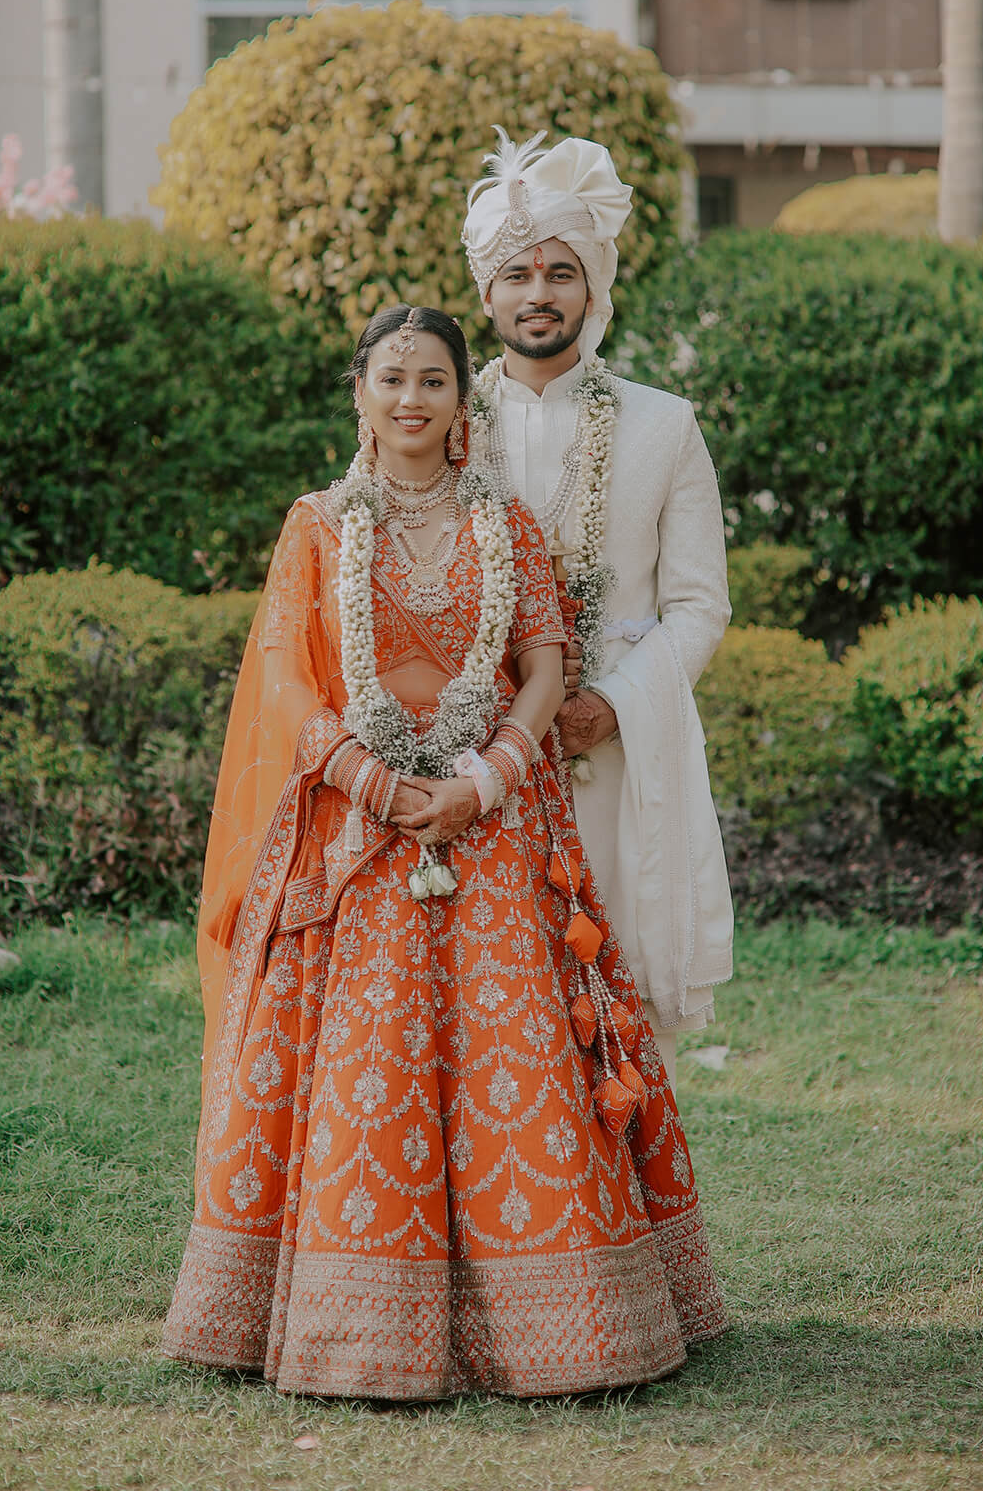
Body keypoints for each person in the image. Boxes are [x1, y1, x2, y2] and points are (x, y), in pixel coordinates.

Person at [162, 304, 727, 1399]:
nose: (411, 398)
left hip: (495, 815)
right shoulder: (318, 525)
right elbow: (284, 679)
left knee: (519, 1053)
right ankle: (350, 1329)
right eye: (392, 378)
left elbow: (544, 667)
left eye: (432, 380)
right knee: (365, 1060)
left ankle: (560, 1326)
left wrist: (484, 782)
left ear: (462, 399)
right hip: (353, 821)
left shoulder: (503, 519)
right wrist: (370, 781)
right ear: (359, 394)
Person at [462, 131, 734, 1079]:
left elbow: (699, 606)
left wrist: (606, 708)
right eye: (516, 273)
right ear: (486, 293)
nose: (538, 292)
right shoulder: (437, 421)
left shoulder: (666, 425)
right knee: (490, 998)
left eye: (560, 272)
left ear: (593, 288)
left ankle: (627, 1167)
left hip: (617, 751)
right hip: (471, 748)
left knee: (619, 990)